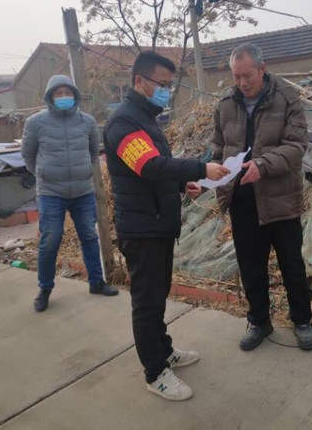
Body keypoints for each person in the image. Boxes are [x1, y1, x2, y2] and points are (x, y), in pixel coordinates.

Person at [103, 51, 229, 401]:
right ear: (139, 81)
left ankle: (164, 350)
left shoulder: (145, 119)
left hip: (157, 222)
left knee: (157, 296)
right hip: (142, 227)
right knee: (147, 302)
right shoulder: (124, 122)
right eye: (162, 84)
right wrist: (201, 169)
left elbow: (154, 170)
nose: (166, 91)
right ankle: (155, 372)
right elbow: (149, 166)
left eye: (169, 85)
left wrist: (180, 184)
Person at [212, 43, 312, 352]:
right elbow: (217, 147)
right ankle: (259, 320)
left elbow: (296, 145)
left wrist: (263, 164)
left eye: (247, 75)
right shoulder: (225, 104)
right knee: (250, 266)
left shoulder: (287, 98)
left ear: (262, 69)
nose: (242, 83)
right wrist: (209, 175)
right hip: (242, 199)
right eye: (236, 76)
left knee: (291, 264)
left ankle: (302, 320)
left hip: (279, 197)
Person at [21, 75, 118, 313]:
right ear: (50, 96)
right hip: (50, 193)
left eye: (68, 93)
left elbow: (93, 153)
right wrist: (44, 173)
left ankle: (96, 282)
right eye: (59, 93)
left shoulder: (87, 122)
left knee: (89, 236)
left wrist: (82, 173)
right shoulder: (35, 123)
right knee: (50, 240)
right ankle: (45, 288)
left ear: (74, 95)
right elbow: (28, 155)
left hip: (83, 191)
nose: (64, 97)